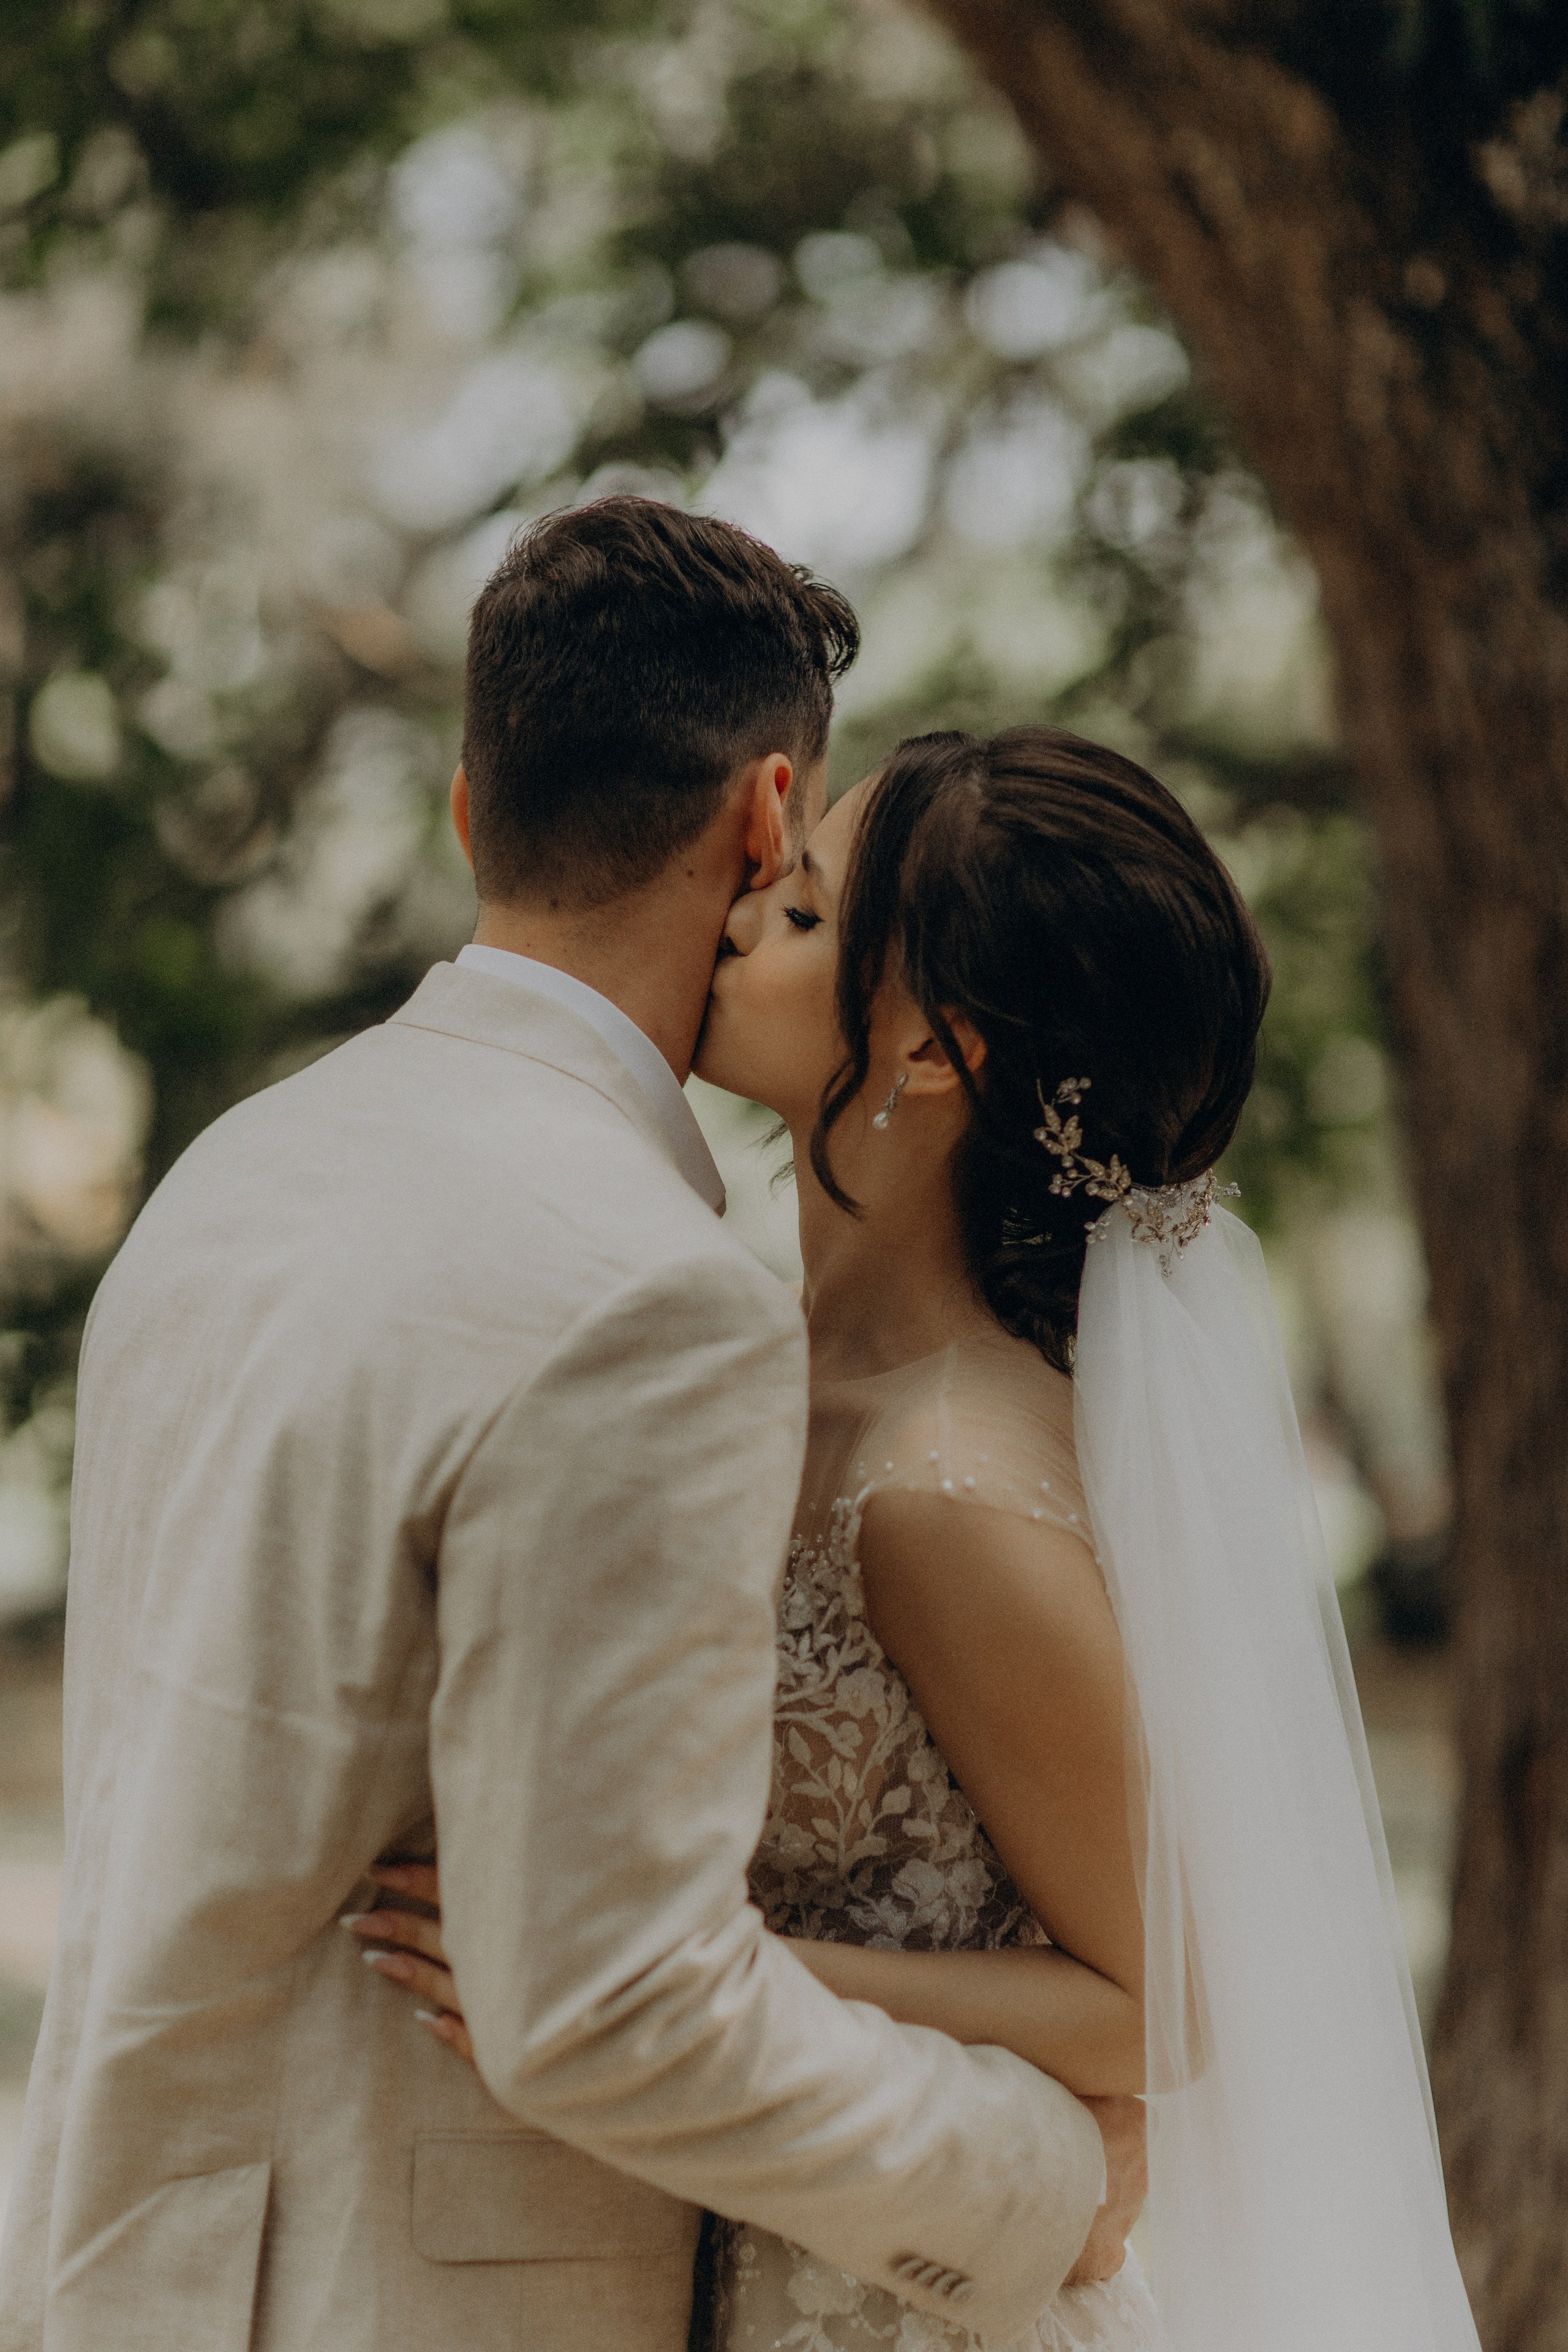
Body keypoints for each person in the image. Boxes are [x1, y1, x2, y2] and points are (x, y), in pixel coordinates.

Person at [0, 503, 1139, 2352]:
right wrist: (1046, 2184)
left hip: (125, 2281)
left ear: (471, 810)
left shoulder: (230, 1176)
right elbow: (610, 2007)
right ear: (768, 818)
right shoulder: (645, 1294)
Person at [360, 723, 1484, 2352]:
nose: (739, 915)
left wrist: (676, 1965)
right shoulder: (747, 1355)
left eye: (805, 914)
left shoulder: (941, 1489)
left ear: (937, 1053)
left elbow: (1166, 2005)